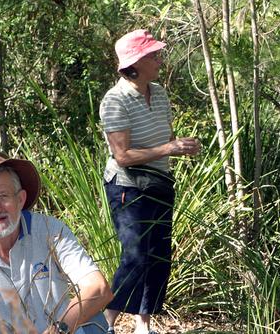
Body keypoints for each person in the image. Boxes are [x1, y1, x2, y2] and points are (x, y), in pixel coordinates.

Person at [0, 149, 113, 334]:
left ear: (20, 199)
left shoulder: (51, 230)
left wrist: (60, 328)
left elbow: (98, 288)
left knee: (91, 324)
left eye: (4, 196)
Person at [99, 29, 200, 334]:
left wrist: (179, 145)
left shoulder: (159, 93)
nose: (159, 59)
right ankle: (106, 322)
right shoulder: (115, 100)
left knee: (157, 255)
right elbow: (123, 156)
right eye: (153, 55)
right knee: (135, 255)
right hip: (127, 186)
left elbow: (164, 138)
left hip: (159, 183)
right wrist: (169, 148)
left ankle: (144, 323)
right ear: (136, 61)